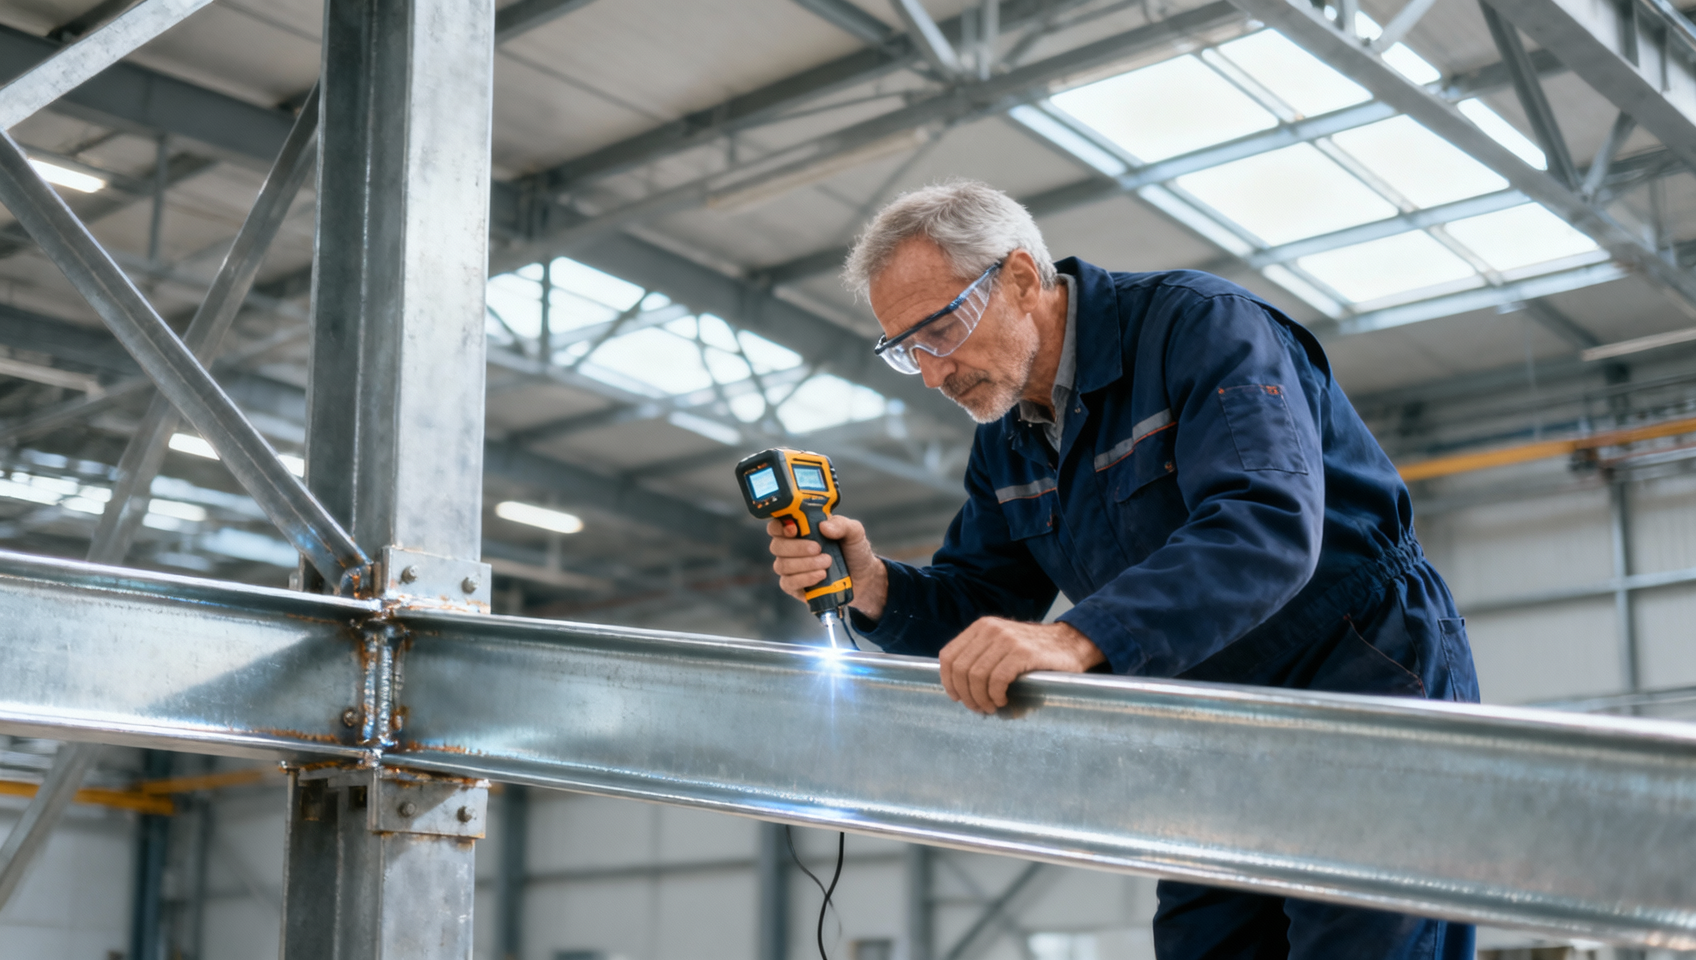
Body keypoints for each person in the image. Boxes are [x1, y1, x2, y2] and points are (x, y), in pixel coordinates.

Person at [765, 180, 1480, 960]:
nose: (934, 374)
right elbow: (982, 600)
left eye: (940, 328)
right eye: (908, 351)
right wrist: (874, 586)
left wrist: (1079, 638)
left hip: (1355, 671)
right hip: (1206, 721)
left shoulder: (1199, 329)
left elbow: (1265, 523)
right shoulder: (1008, 439)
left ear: (1020, 279)